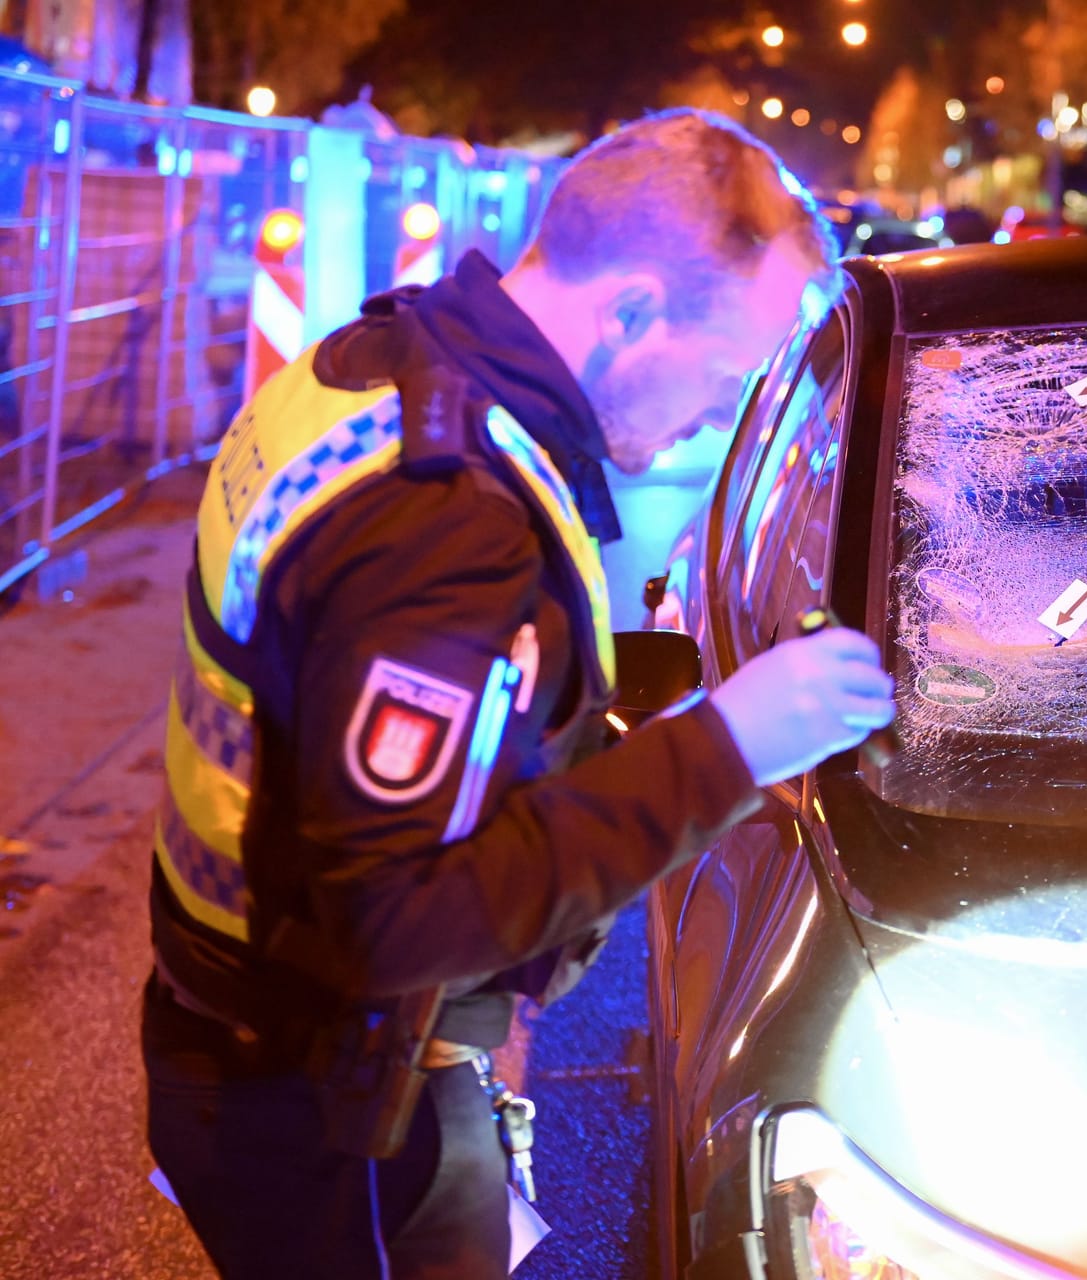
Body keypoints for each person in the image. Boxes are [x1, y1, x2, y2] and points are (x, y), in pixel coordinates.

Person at [141, 109, 894, 1279]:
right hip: (329, 1106)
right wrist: (729, 745)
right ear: (634, 310)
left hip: (256, 1039)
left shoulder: (391, 364)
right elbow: (393, 920)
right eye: (729, 366)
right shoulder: (443, 520)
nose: (724, 409)